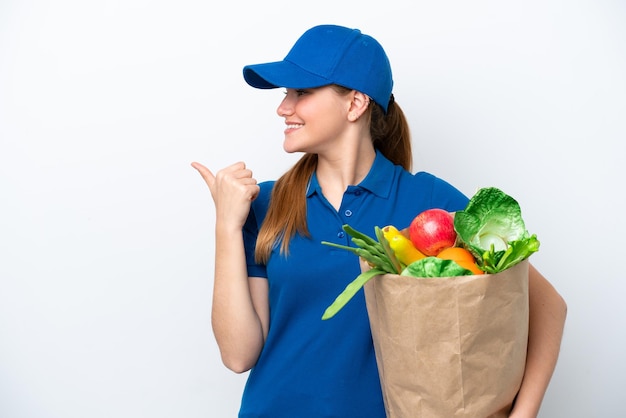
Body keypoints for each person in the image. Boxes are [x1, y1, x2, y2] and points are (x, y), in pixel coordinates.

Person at [192, 24, 567, 418]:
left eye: (301, 93)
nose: (283, 108)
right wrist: (226, 226)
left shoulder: (429, 202)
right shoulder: (265, 204)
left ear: (355, 103)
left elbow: (549, 307)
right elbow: (238, 355)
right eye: (286, 94)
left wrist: (522, 414)